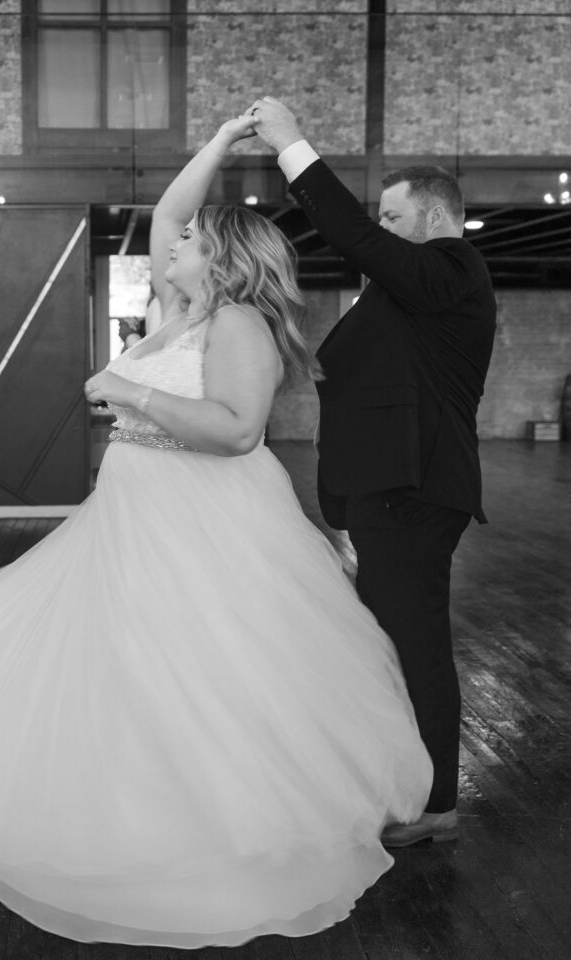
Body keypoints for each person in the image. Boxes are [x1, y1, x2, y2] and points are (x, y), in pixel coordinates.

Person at [0, 116, 433, 948]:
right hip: (135, 509)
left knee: (198, 665)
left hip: (206, 517)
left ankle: (213, 823)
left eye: (184, 246)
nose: (166, 250)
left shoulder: (238, 323)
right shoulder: (177, 309)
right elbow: (172, 211)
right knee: (122, 658)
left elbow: (239, 430)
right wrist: (220, 140)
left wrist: (129, 392)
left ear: (217, 258)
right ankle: (128, 799)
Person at [249, 96, 497, 847]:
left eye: (392, 218)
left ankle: (437, 803)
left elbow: (351, 235)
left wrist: (293, 145)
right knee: (389, 640)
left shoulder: (453, 268)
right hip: (388, 490)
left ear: (431, 218)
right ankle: (398, 780)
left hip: (414, 489)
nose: (380, 231)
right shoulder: (413, 293)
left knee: (414, 643)